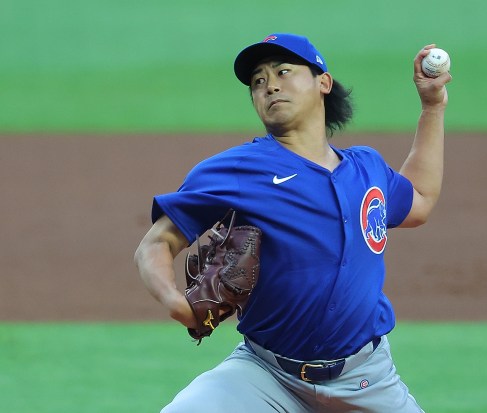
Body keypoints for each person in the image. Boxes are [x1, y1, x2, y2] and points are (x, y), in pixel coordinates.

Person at [135, 32, 451, 413]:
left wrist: (432, 107)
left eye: (283, 71)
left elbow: (419, 200)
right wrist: (175, 302)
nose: (270, 86)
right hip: (264, 377)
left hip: (368, 381)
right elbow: (156, 243)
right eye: (258, 82)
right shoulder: (236, 169)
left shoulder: (366, 169)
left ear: (323, 82)